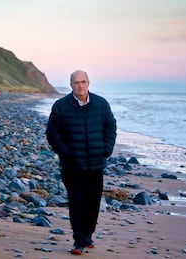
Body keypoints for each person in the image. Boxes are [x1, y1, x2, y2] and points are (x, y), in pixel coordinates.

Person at [46, 70, 117, 255]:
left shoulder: (101, 104)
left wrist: (107, 148)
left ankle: (88, 235)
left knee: (92, 203)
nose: (80, 85)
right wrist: (64, 152)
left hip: (96, 164)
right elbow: (52, 132)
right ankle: (78, 240)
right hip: (72, 165)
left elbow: (111, 126)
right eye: (76, 82)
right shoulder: (61, 106)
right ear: (71, 84)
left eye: (83, 82)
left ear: (89, 83)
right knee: (77, 202)